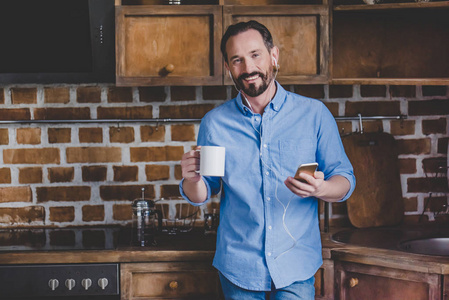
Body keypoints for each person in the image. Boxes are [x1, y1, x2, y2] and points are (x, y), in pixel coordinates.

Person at [179, 20, 355, 299]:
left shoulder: (314, 115)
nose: (247, 68)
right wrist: (192, 179)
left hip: (295, 265)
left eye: (255, 55)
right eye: (237, 60)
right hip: (239, 268)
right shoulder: (215, 124)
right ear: (228, 68)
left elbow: (344, 179)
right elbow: (202, 193)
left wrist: (322, 189)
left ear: (274, 56)